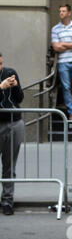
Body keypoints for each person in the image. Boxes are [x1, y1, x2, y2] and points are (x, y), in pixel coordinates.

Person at [0, 52, 25, 215]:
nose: (0, 67)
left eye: (1, 63)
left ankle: (7, 200)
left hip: (13, 122)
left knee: (9, 165)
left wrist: (15, 86)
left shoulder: (10, 72)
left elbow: (20, 98)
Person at [51, 4, 72, 121]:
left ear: (69, 13)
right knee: (66, 87)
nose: (61, 13)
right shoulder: (55, 29)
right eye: (60, 11)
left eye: (63, 11)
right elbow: (55, 47)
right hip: (62, 62)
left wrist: (63, 44)